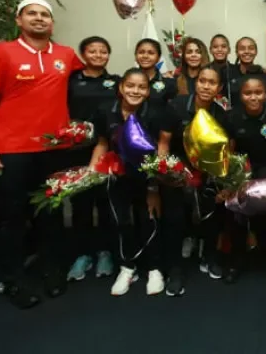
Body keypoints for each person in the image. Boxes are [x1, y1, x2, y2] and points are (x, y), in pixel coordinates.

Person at [0, 0, 84, 309]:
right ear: (19, 21)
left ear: (52, 23)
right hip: (12, 149)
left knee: (50, 215)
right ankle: (13, 280)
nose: (39, 19)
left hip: (55, 149)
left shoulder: (65, 55)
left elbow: (89, 83)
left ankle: (52, 272)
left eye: (45, 15)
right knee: (12, 217)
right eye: (32, 14)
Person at [89, 68, 176, 297]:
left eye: (141, 87)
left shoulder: (158, 113)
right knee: (121, 222)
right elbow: (101, 143)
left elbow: (163, 147)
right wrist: (91, 170)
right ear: (121, 87)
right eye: (130, 85)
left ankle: (154, 268)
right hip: (117, 176)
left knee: (149, 219)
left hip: (148, 177)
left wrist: (155, 181)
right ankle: (127, 267)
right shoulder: (105, 111)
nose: (135, 91)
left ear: (148, 92)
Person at [222, 68, 266, 284]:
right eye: (248, 93)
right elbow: (230, 150)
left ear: (265, 94)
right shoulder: (232, 116)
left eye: (258, 92)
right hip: (242, 165)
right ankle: (236, 262)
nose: (253, 97)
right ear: (241, 95)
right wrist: (233, 179)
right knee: (237, 212)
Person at [167, 64, 230, 293]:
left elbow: (226, 151)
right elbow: (164, 143)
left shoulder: (221, 114)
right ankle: (176, 269)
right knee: (176, 219)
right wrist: (167, 171)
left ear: (219, 87)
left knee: (213, 211)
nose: (206, 86)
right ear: (196, 82)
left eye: (212, 82)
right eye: (202, 80)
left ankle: (210, 255)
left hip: (208, 173)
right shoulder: (176, 106)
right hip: (177, 172)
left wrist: (223, 181)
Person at [66, 36, 118, 282]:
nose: (98, 55)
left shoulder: (115, 82)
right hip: (76, 150)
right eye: (93, 51)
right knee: (81, 204)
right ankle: (82, 254)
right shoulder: (71, 81)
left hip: (108, 150)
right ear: (84, 54)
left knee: (106, 203)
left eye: (103, 51)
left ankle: (106, 252)